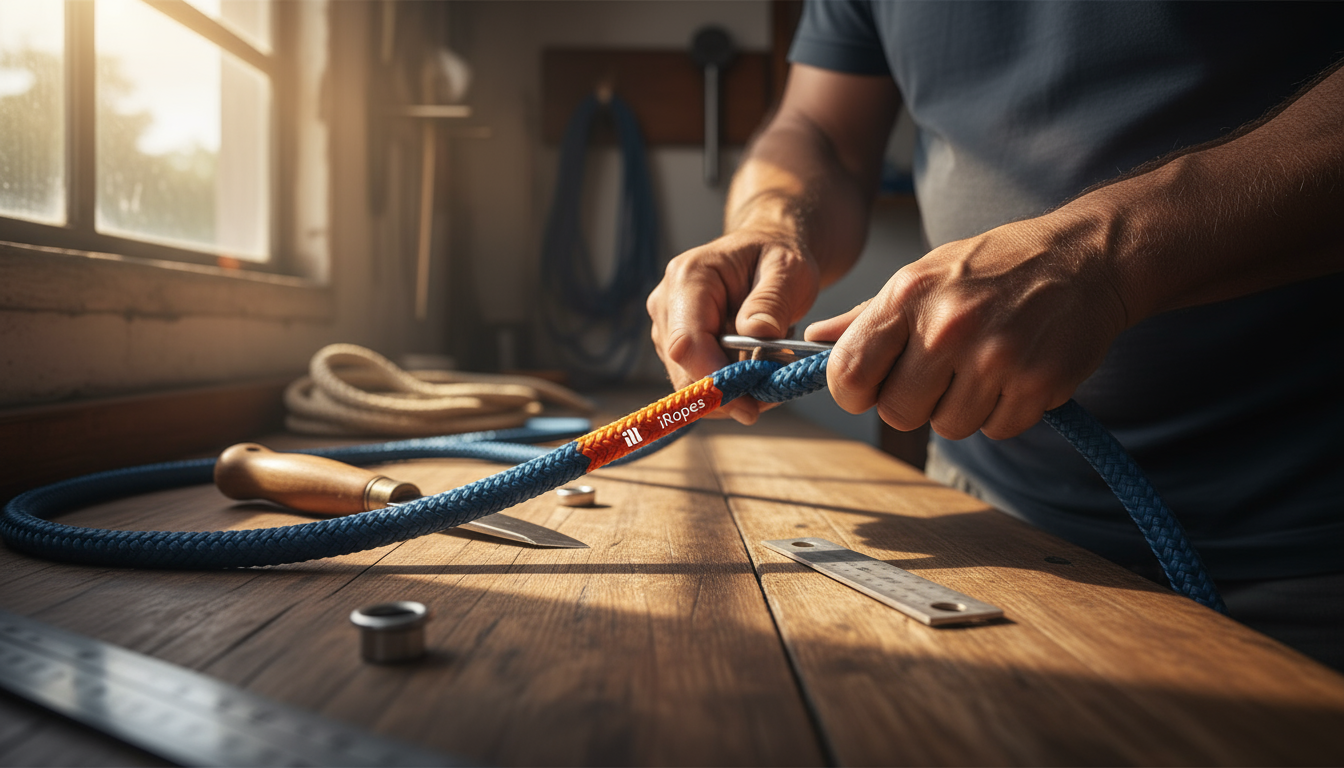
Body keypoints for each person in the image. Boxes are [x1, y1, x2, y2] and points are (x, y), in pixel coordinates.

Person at [646, 1, 1344, 669]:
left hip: (1300, 550)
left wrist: (1099, 257)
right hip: (980, 521)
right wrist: (771, 221)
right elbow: (819, 130)